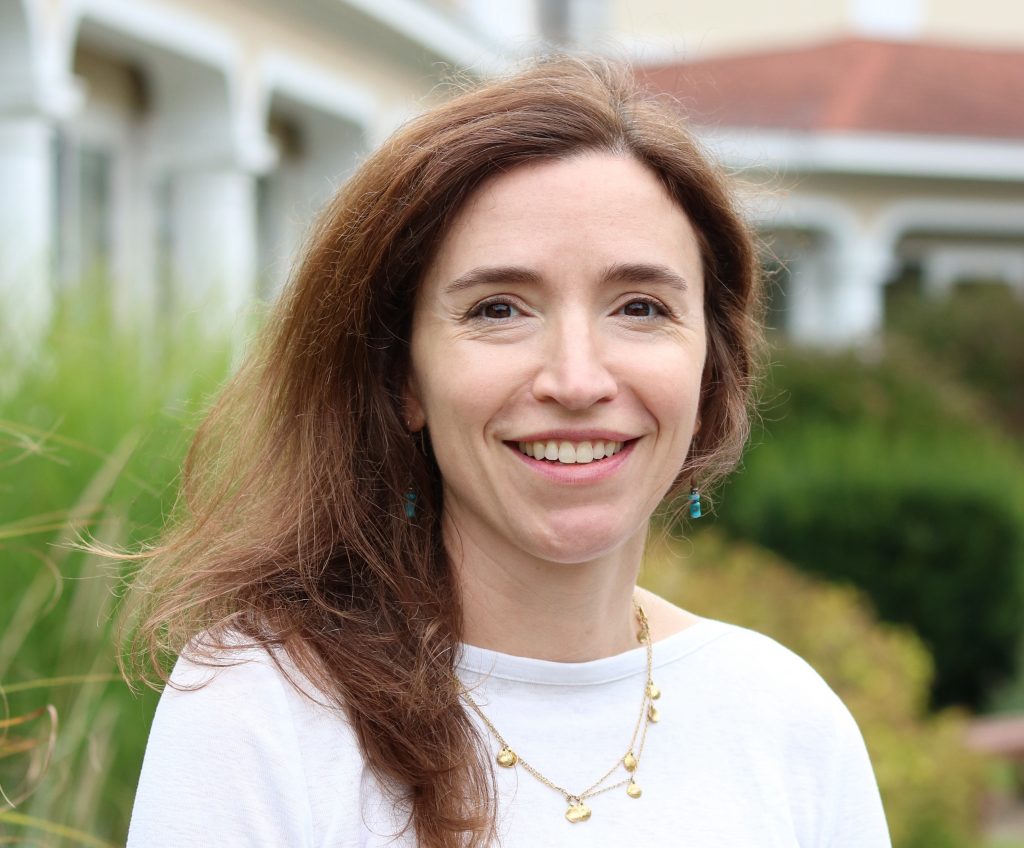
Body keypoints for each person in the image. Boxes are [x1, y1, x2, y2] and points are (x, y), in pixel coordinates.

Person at [124, 57, 891, 847]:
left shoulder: (787, 722)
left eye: (640, 306)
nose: (577, 378)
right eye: (498, 309)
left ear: (711, 366)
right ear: (402, 377)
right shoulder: (262, 711)